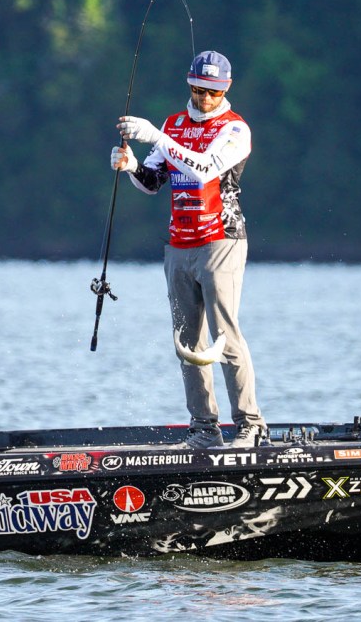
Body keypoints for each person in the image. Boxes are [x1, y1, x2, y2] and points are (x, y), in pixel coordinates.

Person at [111, 50, 267, 449]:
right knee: (186, 342)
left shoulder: (235, 129)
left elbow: (203, 169)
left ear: (226, 89)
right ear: (189, 84)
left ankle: (250, 425)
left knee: (224, 336)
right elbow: (152, 182)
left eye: (213, 91)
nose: (205, 98)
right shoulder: (174, 125)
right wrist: (130, 166)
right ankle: (203, 429)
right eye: (198, 89)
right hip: (179, 244)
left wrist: (156, 137)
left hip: (221, 240)